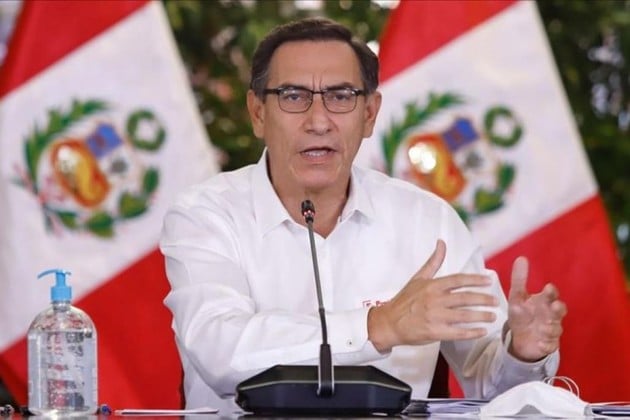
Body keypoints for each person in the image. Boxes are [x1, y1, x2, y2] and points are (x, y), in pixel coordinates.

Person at [160, 17, 567, 413]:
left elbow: (492, 388)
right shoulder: (206, 215)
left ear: (369, 114)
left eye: (340, 96)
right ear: (258, 112)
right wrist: (379, 326)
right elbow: (221, 351)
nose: (318, 121)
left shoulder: (428, 221)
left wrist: (522, 355)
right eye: (293, 96)